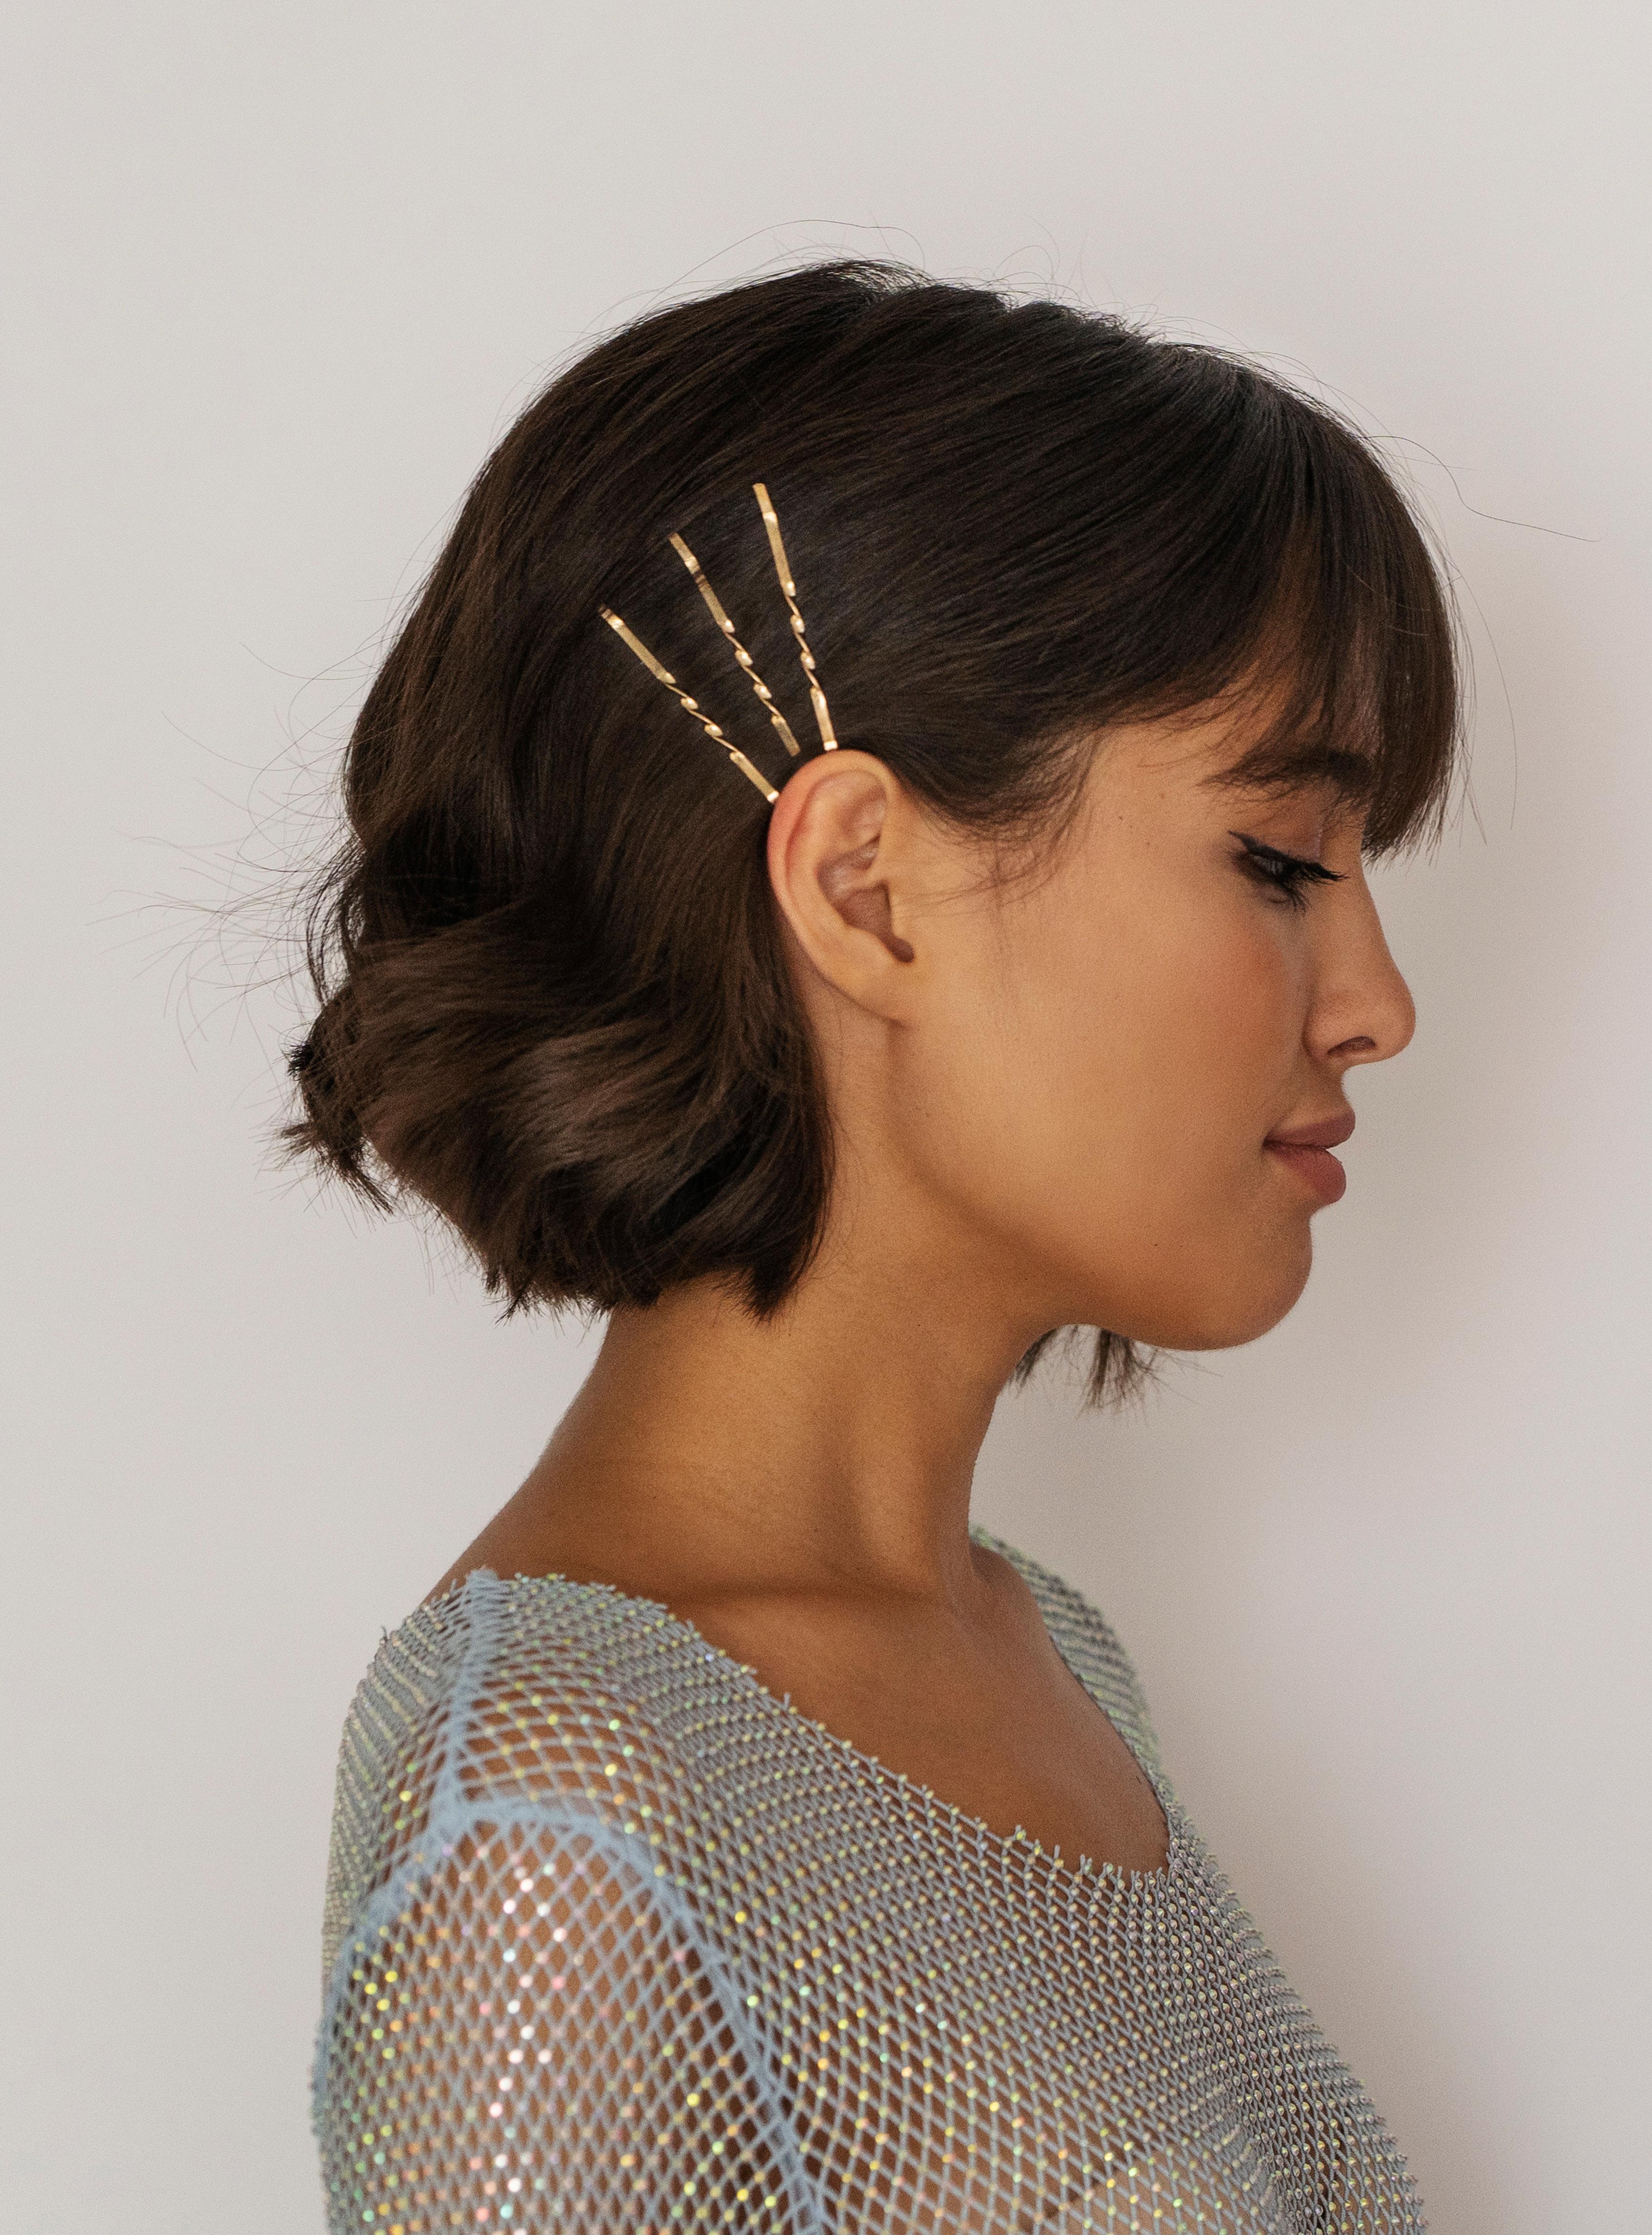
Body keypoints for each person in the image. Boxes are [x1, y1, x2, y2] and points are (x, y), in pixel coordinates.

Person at [294, 260, 1458, 2233]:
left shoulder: (1048, 1655)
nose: (1378, 1004)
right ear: (865, 886)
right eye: (1279, 860)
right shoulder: (557, 1802)